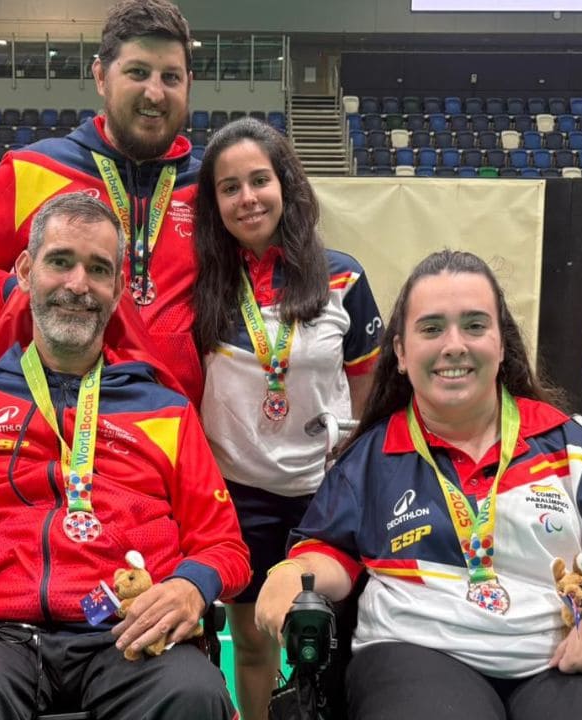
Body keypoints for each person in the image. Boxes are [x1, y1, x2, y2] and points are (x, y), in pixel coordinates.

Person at [0, 192, 250, 720]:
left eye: (98, 269)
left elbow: (224, 546)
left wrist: (192, 585)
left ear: (118, 289)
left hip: (130, 632)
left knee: (193, 693)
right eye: (61, 261)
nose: (78, 285)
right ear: (26, 271)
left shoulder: (167, 410)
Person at [253, 250, 582, 720]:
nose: (454, 345)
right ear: (402, 354)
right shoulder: (371, 459)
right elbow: (332, 556)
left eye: (474, 326)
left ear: (502, 344)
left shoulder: (567, 446)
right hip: (416, 652)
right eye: (431, 329)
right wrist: (293, 572)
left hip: (557, 655)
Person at [191, 118, 381, 720]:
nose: (247, 198)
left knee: (333, 641)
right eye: (229, 187)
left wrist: (352, 465)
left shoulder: (344, 278)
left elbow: (368, 390)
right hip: (237, 496)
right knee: (252, 643)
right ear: (214, 202)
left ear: (286, 186)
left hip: (327, 498)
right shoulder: (200, 286)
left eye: (259, 180)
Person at [0, 0, 207, 403]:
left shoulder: (209, 187)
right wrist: (25, 292)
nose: (155, 92)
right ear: (101, 76)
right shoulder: (34, 168)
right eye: (137, 72)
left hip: (168, 421)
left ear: (188, 83)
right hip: (52, 414)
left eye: (170, 77)